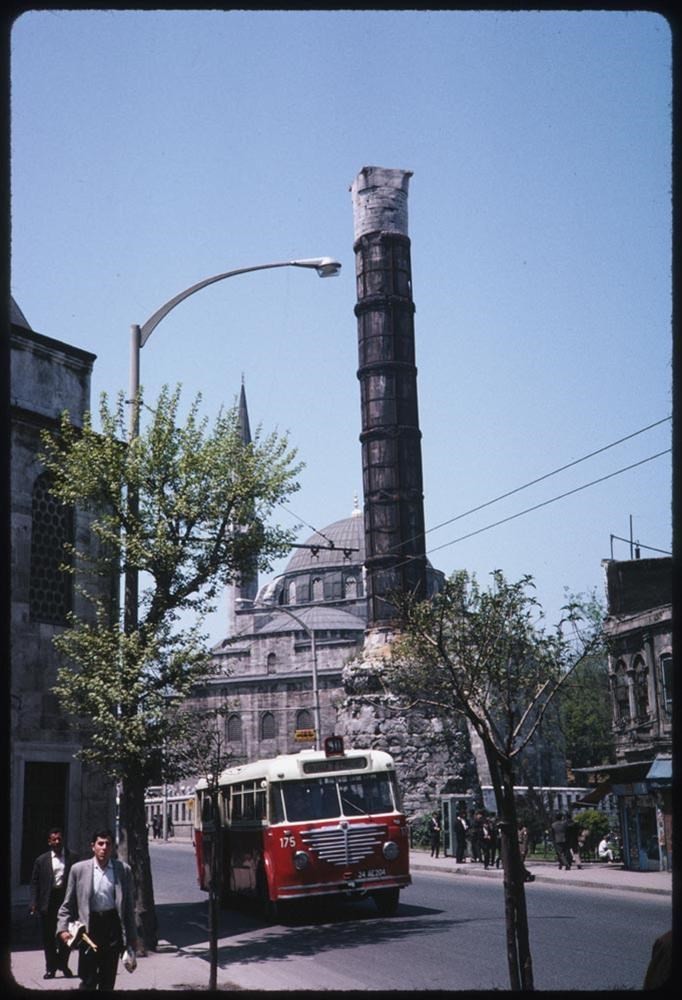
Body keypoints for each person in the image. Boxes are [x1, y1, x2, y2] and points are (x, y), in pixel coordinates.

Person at [57, 828, 138, 991]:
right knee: (88, 980)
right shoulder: (79, 870)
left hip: (112, 928)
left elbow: (128, 907)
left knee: (108, 980)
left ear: (113, 848)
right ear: (92, 846)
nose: (104, 848)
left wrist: (132, 937)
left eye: (108, 844)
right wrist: (62, 928)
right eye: (100, 844)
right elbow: (68, 902)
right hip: (89, 929)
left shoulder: (123, 870)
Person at [29, 827, 78, 979]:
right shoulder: (41, 860)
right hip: (47, 902)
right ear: (49, 842)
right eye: (54, 839)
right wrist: (33, 902)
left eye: (59, 839)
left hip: (65, 901)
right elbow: (34, 883)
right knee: (49, 937)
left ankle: (63, 964)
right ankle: (51, 968)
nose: (57, 842)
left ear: (63, 840)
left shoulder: (73, 858)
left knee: (66, 936)